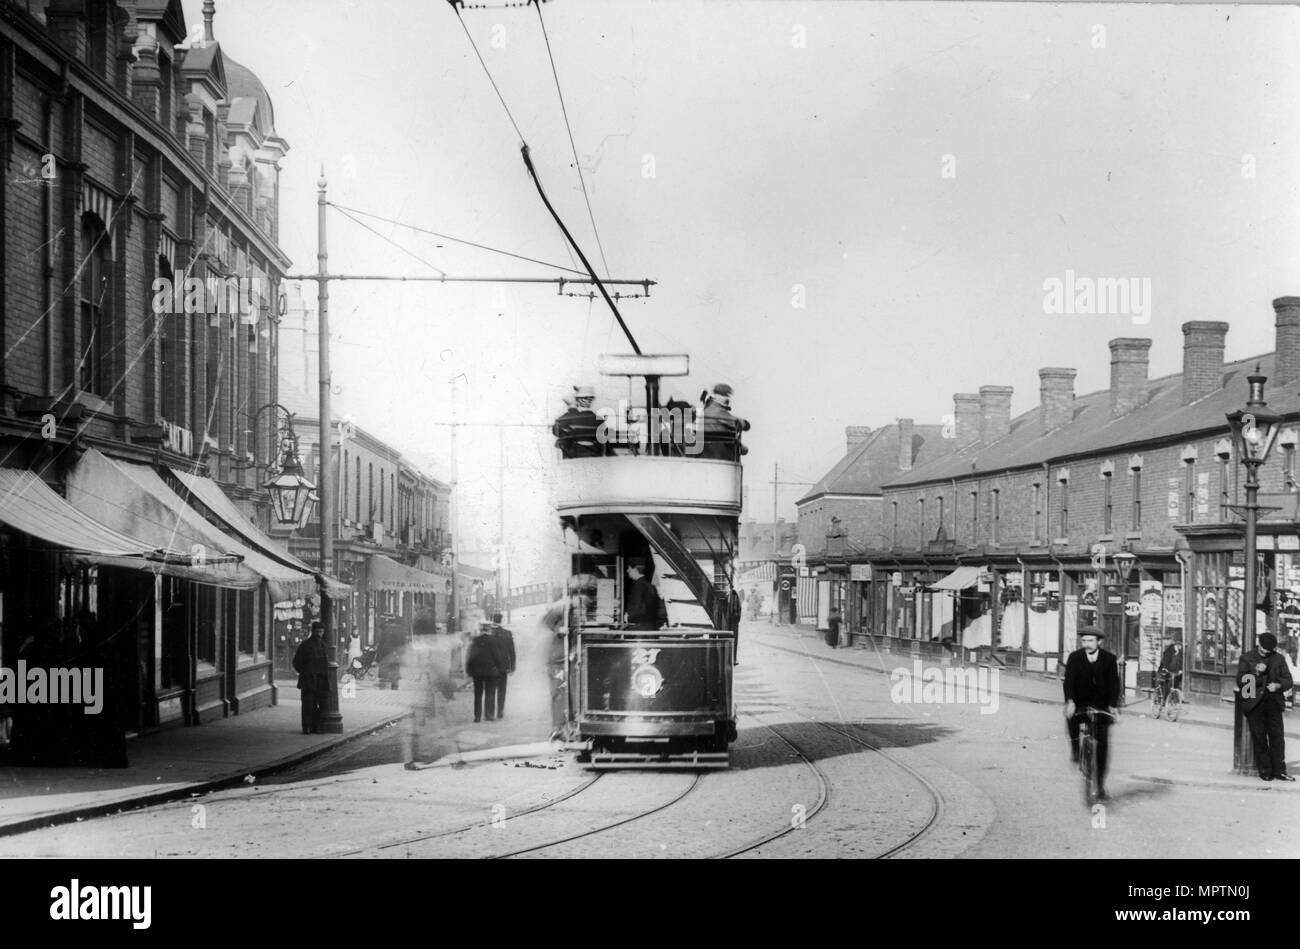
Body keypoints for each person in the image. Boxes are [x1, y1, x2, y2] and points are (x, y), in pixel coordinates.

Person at [1063, 626, 1121, 801]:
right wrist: (1070, 701)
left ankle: (1100, 785)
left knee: (1103, 747)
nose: (1086, 644)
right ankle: (1075, 750)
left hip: (1101, 706)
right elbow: (1068, 682)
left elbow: (1114, 685)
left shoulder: (1109, 659)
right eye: (1084, 641)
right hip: (1079, 703)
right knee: (1070, 717)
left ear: (1099, 642)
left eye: (1090, 641)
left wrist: (1112, 706)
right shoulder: (1074, 658)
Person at [1238, 631, 1295, 781]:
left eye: (1268, 651)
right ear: (1258, 644)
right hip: (1255, 704)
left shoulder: (1278, 659)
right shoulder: (1247, 658)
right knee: (1260, 737)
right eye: (1263, 650)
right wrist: (1256, 674)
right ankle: (1265, 770)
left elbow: (1288, 680)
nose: (1265, 653)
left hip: (1273, 703)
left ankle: (1280, 771)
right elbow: (1242, 683)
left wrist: (1278, 685)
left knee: (1277, 737)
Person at [398, 621, 456, 769]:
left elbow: (404, 670)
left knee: (413, 727)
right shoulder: (425, 649)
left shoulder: (411, 647)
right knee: (439, 725)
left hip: (412, 692)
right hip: (422, 692)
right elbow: (431, 671)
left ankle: (410, 759)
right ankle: (454, 759)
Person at [698, 383, 751, 461]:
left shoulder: (706, 410)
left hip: (705, 450)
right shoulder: (720, 412)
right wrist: (744, 423)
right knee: (742, 447)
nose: (728, 399)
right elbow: (743, 425)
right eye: (727, 395)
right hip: (722, 452)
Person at [292, 622, 329, 735]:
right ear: (313, 631)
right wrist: (305, 673)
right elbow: (296, 662)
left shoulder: (323, 646)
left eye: (321, 632)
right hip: (308, 680)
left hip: (320, 680)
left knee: (320, 705)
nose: (319, 634)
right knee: (308, 705)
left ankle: (316, 727)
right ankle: (307, 727)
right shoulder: (305, 645)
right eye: (317, 631)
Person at [464, 624, 503, 723]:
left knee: (478, 695)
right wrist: (499, 668)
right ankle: (488, 715)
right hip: (490, 671)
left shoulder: (475, 640)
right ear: (488, 630)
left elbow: (470, 657)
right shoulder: (493, 640)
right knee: (489, 693)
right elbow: (497, 656)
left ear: (481, 630)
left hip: (477, 672)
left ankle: (477, 717)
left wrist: (469, 670)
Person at [552, 385, 604, 458]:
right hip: (592, 453)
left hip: (576, 453)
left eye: (590, 398)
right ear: (578, 399)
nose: (589, 400)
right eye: (586, 398)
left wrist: (572, 408)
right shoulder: (598, 419)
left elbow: (556, 430)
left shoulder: (571, 416)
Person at [488, 612, 516, 720]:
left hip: (490, 667)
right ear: (501, 620)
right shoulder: (507, 633)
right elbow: (512, 652)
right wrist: (512, 666)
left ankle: (490, 713)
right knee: (502, 690)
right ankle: (500, 711)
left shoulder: (488, 633)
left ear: (493, 620)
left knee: (491, 690)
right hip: (503, 667)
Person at [625, 562, 666, 630]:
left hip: (640, 627)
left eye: (629, 569)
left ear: (635, 570)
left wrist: (629, 616)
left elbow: (637, 607)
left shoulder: (638, 585)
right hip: (651, 626)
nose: (627, 571)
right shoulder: (650, 585)